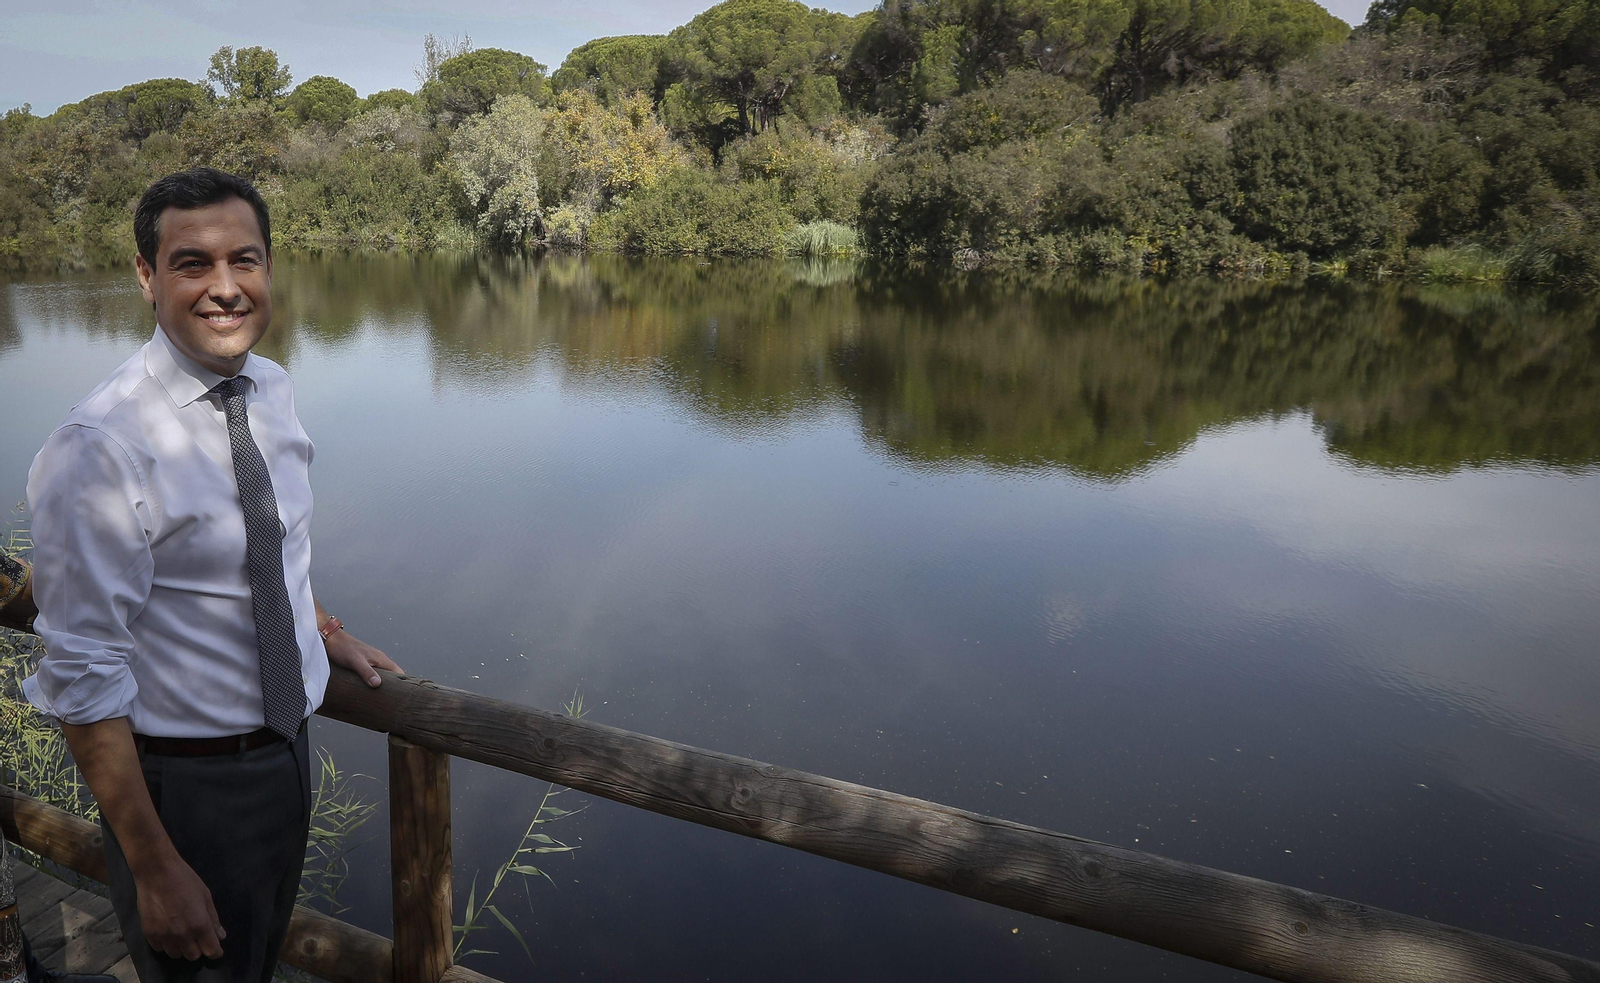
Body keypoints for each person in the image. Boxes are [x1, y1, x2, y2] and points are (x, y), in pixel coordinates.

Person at [21, 167, 401, 983]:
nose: (225, 288)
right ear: (145, 275)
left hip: (289, 752)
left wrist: (322, 627)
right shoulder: (101, 445)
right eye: (193, 263)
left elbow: (270, 540)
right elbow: (82, 677)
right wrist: (155, 866)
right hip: (186, 790)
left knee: (254, 967)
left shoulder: (269, 389)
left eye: (246, 260)